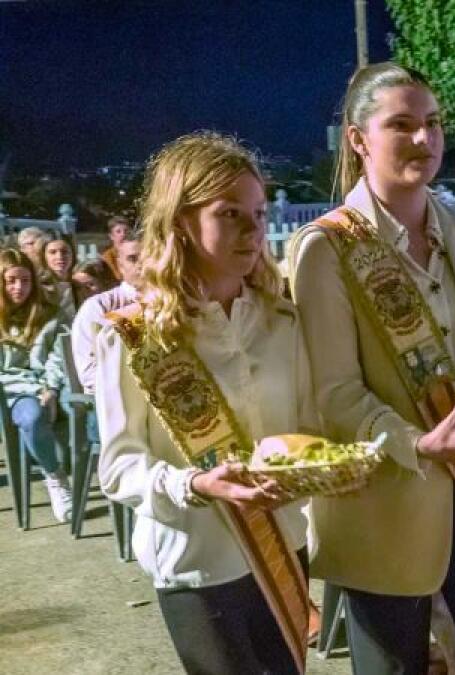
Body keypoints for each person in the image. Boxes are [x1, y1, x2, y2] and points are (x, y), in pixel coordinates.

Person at [289, 62, 455, 674]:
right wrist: (420, 444)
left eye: (433, 124)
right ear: (357, 138)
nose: (424, 140)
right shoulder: (326, 249)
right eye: (401, 125)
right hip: (386, 501)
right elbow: (333, 393)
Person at [95, 132, 316, 674]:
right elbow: (119, 466)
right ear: (181, 224)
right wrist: (192, 485)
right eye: (230, 214)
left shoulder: (283, 322)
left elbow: (308, 430)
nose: (253, 229)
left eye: (259, 213)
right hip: (197, 564)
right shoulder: (132, 337)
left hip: (284, 547)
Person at [0, 248, 69, 521]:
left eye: (25, 280)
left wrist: (51, 388)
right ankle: (53, 473)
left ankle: (55, 477)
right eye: (11, 281)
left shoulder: (50, 314)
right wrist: (34, 389)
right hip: (10, 389)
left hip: (42, 389)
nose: (19, 287)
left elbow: (60, 356)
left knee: (34, 416)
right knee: (31, 412)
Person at [72, 238, 143, 395]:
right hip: (117, 399)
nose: (141, 265)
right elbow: (89, 374)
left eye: (149, 257)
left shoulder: (174, 302)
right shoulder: (97, 306)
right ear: (120, 265)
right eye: (133, 259)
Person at [38, 231, 82, 322]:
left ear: (73, 255)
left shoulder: (80, 286)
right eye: (52, 252)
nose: (59, 256)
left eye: (64, 251)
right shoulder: (39, 288)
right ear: (44, 256)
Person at [101, 216, 133, 281]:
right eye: (118, 231)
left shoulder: (135, 253)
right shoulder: (108, 257)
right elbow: (117, 278)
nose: (123, 234)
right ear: (111, 236)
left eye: (126, 231)